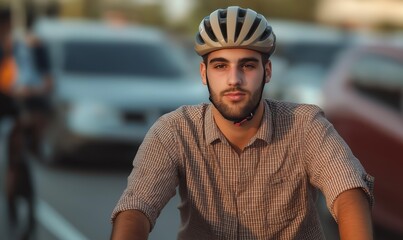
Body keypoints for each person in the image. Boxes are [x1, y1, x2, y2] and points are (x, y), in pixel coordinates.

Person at [111, 6, 374, 240]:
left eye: (247, 66)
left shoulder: (305, 125)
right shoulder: (175, 130)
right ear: (204, 73)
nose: (234, 79)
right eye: (220, 66)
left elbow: (348, 192)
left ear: (267, 71)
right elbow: (137, 207)